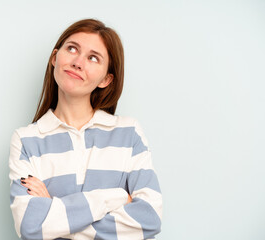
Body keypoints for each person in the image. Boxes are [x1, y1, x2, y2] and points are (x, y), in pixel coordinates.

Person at [8, 18, 162, 240]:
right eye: (72, 49)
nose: (78, 62)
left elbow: (149, 218)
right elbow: (31, 226)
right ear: (54, 58)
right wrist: (116, 197)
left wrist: (54, 209)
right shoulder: (26, 140)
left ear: (106, 79)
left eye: (93, 58)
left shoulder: (129, 132)